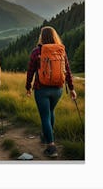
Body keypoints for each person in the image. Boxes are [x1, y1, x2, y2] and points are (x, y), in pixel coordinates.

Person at [25, 26, 77, 158]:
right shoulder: (61, 51)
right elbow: (68, 71)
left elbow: (30, 71)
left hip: (41, 89)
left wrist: (28, 87)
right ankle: (47, 136)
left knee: (45, 117)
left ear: (41, 37)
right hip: (58, 89)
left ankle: (51, 147)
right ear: (55, 36)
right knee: (50, 112)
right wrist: (72, 89)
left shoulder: (37, 51)